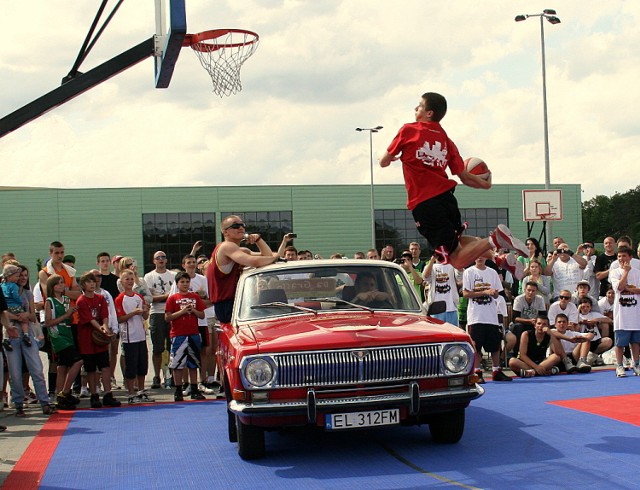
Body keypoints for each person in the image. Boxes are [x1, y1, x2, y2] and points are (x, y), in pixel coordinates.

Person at [379, 91, 527, 269]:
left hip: (425, 203)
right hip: (447, 198)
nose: (415, 108)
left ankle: (494, 239)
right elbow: (465, 176)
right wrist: (486, 185)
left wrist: (392, 157)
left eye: (419, 105)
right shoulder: (446, 140)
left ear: (429, 113)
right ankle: (498, 258)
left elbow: (383, 162)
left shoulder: (408, 130)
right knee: (457, 240)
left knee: (455, 260)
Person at [3, 266, 57, 417]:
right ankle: (18, 403)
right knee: (15, 371)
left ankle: (44, 402)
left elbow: (34, 317)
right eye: (20, 275)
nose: (23, 278)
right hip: (11, 332)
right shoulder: (5, 291)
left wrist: (26, 315)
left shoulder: (27, 294)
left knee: (36, 368)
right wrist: (16, 317)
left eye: (25, 275)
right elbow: (3, 312)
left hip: (28, 333)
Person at [206, 215, 279, 324]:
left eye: (242, 225)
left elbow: (268, 256)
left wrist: (258, 240)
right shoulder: (227, 246)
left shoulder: (239, 250)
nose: (241, 228)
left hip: (235, 302)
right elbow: (256, 261)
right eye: (236, 226)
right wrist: (273, 258)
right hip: (226, 306)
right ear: (226, 232)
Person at [168, 255, 216, 396]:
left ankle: (201, 382)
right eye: (189, 262)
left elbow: (211, 299)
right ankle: (185, 384)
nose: (192, 264)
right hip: (180, 328)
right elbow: (171, 307)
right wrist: (184, 310)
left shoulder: (202, 280)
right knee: (181, 357)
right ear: (184, 265)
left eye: (194, 262)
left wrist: (197, 304)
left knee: (201, 353)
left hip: (200, 322)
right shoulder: (176, 287)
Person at [462, 256, 511, 382]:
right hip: (476, 316)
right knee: (476, 345)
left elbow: (497, 293)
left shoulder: (492, 272)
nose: (479, 258)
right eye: (477, 256)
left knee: (494, 345)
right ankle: (477, 372)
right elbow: (466, 293)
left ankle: (496, 370)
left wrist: (493, 293)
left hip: (491, 315)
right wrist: (484, 292)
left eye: (482, 256)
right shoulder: (469, 272)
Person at [75, 272, 120, 408]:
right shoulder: (81, 300)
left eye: (93, 282)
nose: (92, 284)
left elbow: (105, 315)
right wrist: (102, 330)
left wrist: (106, 327)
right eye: (89, 282)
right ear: (83, 285)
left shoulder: (100, 298)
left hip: (100, 339)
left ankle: (107, 394)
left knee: (105, 367)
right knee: (90, 369)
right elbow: (90, 319)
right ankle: (94, 395)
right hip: (87, 338)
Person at [165, 271, 207, 402]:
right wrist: (182, 311)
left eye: (187, 282)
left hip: (193, 334)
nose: (185, 284)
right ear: (177, 284)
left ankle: (194, 389)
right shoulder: (173, 298)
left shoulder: (195, 297)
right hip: (178, 335)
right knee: (177, 364)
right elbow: (167, 317)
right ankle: (178, 390)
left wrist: (193, 310)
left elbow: (202, 315)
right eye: (182, 282)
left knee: (193, 363)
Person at [115, 269, 154, 404]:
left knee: (142, 364)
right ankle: (131, 393)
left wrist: (145, 311)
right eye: (127, 279)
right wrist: (133, 313)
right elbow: (120, 318)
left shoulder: (139, 297)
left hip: (141, 335)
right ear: (121, 282)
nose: (130, 282)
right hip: (129, 336)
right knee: (131, 365)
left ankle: (141, 391)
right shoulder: (120, 299)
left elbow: (144, 316)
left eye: (132, 279)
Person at [44, 274, 82, 410]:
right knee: (77, 361)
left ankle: (60, 395)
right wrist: (66, 315)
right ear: (52, 286)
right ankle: (65, 391)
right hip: (58, 335)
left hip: (68, 333)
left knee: (62, 366)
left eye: (62, 283)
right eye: (59, 283)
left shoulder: (66, 299)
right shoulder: (50, 301)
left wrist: (71, 315)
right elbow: (48, 322)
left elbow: (69, 320)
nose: (62, 285)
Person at [144, 251, 176, 389]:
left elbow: (176, 295)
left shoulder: (173, 276)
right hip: (156, 313)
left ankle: (172, 376)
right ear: (154, 261)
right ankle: (156, 376)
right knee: (157, 348)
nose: (161, 259)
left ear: (167, 260)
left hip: (172, 312)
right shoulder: (149, 276)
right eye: (158, 258)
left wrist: (163, 296)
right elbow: (150, 298)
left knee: (172, 347)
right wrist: (167, 295)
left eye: (163, 257)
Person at [609, 245, 640, 377]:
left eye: (624, 256)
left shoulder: (637, 272)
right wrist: (625, 273)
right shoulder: (614, 272)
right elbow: (619, 288)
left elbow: (639, 290)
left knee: (635, 342)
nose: (621, 259)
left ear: (630, 257)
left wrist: (629, 288)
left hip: (635, 313)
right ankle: (620, 366)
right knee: (620, 343)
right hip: (621, 314)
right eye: (619, 256)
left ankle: (636, 364)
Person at [507, 282, 547, 357]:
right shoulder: (518, 299)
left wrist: (537, 322)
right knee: (518, 327)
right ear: (525, 290)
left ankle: (539, 354)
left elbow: (543, 315)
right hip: (521, 323)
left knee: (543, 327)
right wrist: (529, 321)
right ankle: (517, 353)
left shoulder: (540, 299)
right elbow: (515, 318)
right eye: (529, 290)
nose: (530, 292)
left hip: (535, 323)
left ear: (536, 292)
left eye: (533, 291)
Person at [423, 253, 461, 326]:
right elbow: (425, 277)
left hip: (451, 308)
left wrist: (454, 259)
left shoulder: (452, 266)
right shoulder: (431, 267)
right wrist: (432, 260)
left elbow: (460, 275)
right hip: (435, 310)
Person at [576, 296, 613, 366]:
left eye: (587, 306)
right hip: (583, 340)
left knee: (608, 341)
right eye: (583, 307)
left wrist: (596, 320)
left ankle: (594, 355)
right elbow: (573, 321)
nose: (585, 308)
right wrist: (581, 321)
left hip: (596, 339)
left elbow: (609, 320)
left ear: (590, 307)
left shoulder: (594, 314)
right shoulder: (577, 315)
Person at [1, 264, 31, 346]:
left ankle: (6, 338)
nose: (18, 278)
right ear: (9, 276)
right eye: (17, 276)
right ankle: (26, 335)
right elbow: (15, 296)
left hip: (6, 307)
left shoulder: (2, 285)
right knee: (24, 321)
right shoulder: (14, 286)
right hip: (15, 306)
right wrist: (20, 302)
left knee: (8, 323)